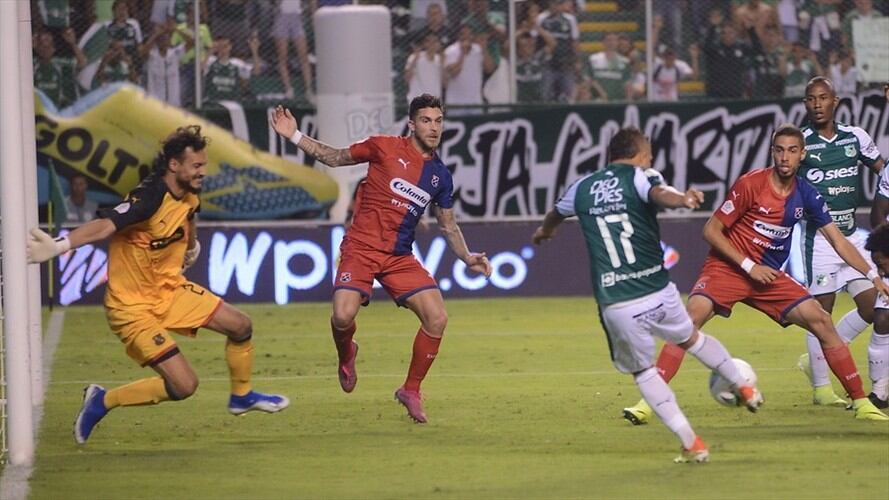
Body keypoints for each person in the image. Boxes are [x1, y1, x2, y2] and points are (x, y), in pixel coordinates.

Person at [26, 126, 289, 444]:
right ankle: (103, 400)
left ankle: (242, 395)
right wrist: (59, 246)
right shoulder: (147, 198)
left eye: (204, 165)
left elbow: (190, 214)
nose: (202, 172)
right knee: (184, 386)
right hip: (132, 307)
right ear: (174, 165)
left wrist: (192, 245)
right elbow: (103, 226)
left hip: (170, 290)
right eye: (197, 166)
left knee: (240, 325)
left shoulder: (190, 193)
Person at [621, 124, 889, 425]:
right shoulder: (751, 184)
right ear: (772, 152)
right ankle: (648, 402)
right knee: (688, 321)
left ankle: (861, 402)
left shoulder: (807, 195)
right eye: (779, 150)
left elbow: (838, 240)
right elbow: (710, 230)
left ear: (802, 154)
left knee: (822, 321)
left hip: (768, 277)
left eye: (791, 150)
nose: (784, 157)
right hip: (728, 268)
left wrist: (871, 273)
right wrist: (748, 266)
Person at [532, 127, 763, 463]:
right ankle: (743, 386)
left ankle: (692, 443)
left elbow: (555, 213)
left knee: (643, 373)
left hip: (617, 302)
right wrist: (683, 199)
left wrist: (544, 232)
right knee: (692, 339)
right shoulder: (640, 176)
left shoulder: (582, 188)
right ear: (640, 155)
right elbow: (659, 192)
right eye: (649, 155)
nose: (650, 160)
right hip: (657, 290)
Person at [270, 94, 492, 424]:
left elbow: (447, 223)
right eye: (426, 120)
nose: (433, 127)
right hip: (360, 248)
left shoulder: (439, 176)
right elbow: (334, 157)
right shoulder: (383, 147)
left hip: (399, 256)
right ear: (412, 123)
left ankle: (411, 389)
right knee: (342, 317)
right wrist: (295, 136)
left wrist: (467, 256)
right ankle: (347, 352)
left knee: (437, 317)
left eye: (438, 121)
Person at [796, 76, 886, 407]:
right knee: (821, 312)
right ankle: (821, 388)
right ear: (805, 104)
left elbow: (883, 170)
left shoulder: (855, 137)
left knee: (872, 305)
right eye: (810, 99)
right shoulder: (801, 143)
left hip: (850, 238)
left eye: (823, 98)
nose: (817, 104)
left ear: (836, 102)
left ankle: (815, 358)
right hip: (818, 240)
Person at [274, 0, 314, 102]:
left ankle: (309, 90)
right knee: (282, 56)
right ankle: (288, 89)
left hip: (297, 16)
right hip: (282, 16)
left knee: (303, 56)